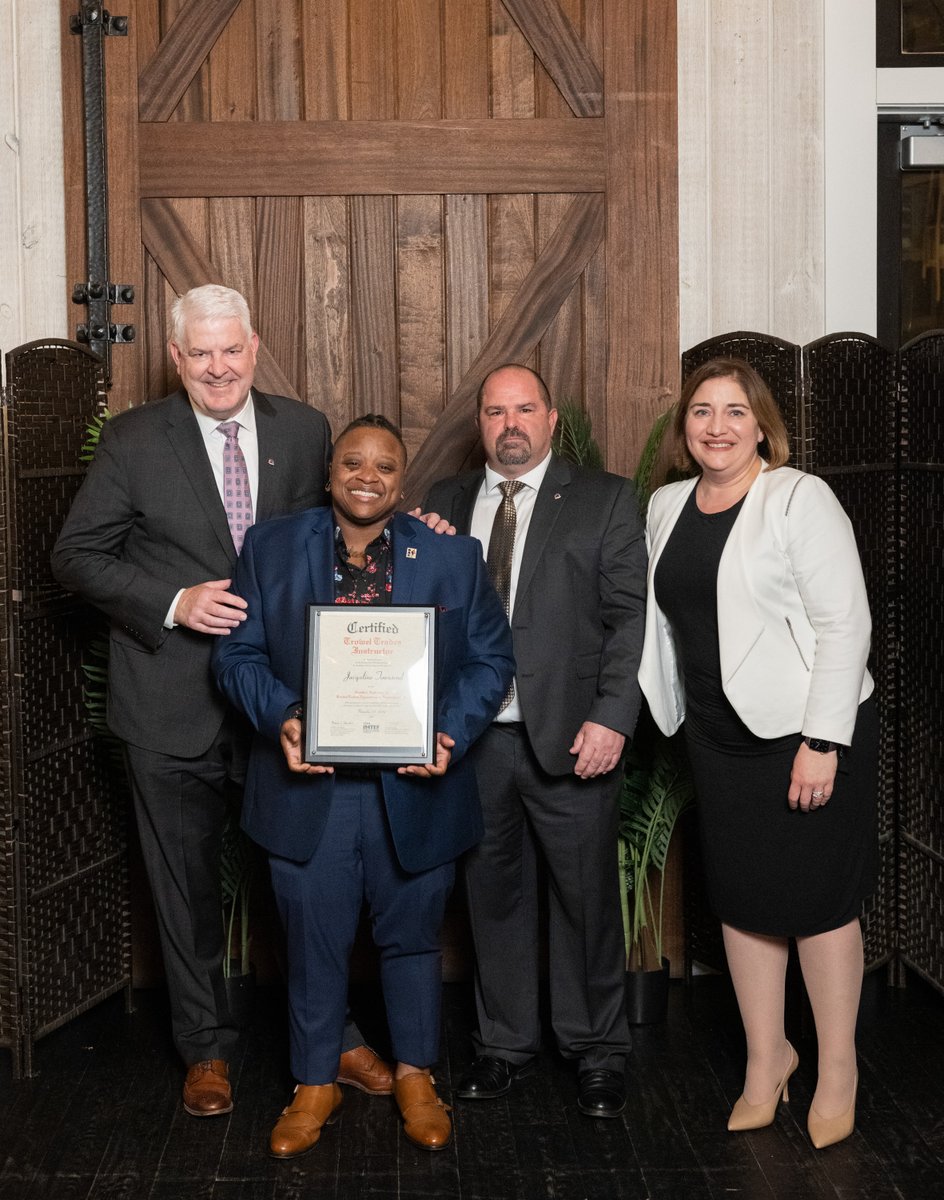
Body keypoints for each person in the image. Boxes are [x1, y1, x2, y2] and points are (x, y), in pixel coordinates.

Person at [50, 285, 395, 1118]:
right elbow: (75, 555)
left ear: (254, 345)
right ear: (176, 358)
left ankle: (334, 1034)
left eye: (230, 350)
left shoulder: (306, 429)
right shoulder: (135, 440)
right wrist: (175, 601)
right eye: (199, 353)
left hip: (281, 703)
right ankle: (205, 1049)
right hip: (168, 705)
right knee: (185, 888)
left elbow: (343, 530)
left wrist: (415, 530)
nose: (216, 367)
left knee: (305, 879)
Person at [212, 414, 514, 1157]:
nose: (367, 476)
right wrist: (284, 716)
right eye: (353, 462)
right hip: (308, 789)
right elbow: (236, 655)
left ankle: (416, 1075)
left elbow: (490, 660)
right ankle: (314, 1082)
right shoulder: (271, 547)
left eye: (383, 465)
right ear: (330, 473)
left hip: (415, 786)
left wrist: (449, 730)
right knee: (312, 942)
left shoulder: (451, 555)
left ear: (401, 480)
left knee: (411, 938)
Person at [637, 356, 878, 1150]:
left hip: (803, 735)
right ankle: (767, 1057)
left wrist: (822, 741)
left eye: (735, 411)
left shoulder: (798, 498)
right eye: (702, 411)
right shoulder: (668, 504)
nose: (717, 426)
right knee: (742, 902)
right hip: (716, 735)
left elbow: (846, 625)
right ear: (684, 427)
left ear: (762, 424)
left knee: (818, 904)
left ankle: (836, 1067)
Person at [424, 364, 647, 1118]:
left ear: (552, 419)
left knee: (586, 902)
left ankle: (596, 1051)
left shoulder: (606, 499)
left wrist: (614, 716)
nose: (509, 423)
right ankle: (504, 1045)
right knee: (493, 897)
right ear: (479, 425)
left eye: (525, 409)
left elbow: (629, 620)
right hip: (478, 740)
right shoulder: (445, 504)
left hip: (574, 735)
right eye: (495, 411)